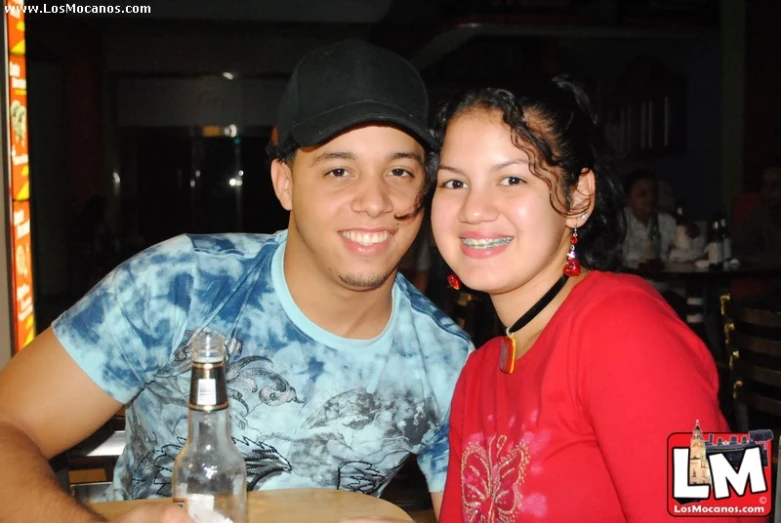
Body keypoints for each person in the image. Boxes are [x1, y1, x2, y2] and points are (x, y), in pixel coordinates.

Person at [0, 39, 472, 522]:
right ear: (284, 182)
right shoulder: (182, 284)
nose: (374, 201)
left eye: (398, 170)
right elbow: (8, 423)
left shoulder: (447, 364)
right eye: (338, 170)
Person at [428, 78, 738, 522]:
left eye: (512, 178)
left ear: (578, 197)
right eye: (454, 183)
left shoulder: (625, 328)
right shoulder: (478, 374)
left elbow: (720, 512)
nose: (473, 210)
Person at [732, 161, 781, 270]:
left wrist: (744, 258)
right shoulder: (763, 213)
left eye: (774, 186)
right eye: (763, 185)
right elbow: (735, 244)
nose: (766, 191)